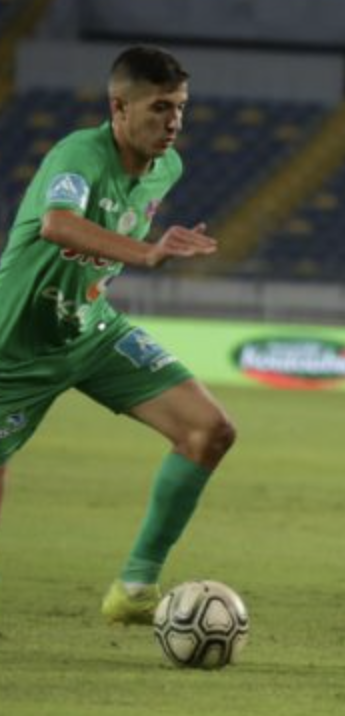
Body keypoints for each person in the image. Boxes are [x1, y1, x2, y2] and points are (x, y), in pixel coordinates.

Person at [0, 45, 235, 626]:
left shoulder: (168, 167)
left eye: (180, 107)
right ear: (119, 107)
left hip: (91, 330)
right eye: (159, 107)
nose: (174, 122)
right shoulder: (78, 155)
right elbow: (58, 224)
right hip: (14, 343)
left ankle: (134, 589)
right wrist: (147, 252)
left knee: (209, 431)